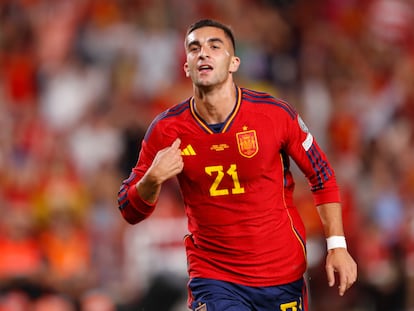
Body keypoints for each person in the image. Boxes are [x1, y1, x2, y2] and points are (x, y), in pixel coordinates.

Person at [117, 19, 357, 311]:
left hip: (281, 273)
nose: (203, 53)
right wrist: (151, 180)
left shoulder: (274, 115)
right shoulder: (166, 129)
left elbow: (322, 176)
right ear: (186, 67)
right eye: (194, 49)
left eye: (214, 46)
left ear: (234, 63)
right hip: (215, 277)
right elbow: (129, 210)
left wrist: (337, 245)